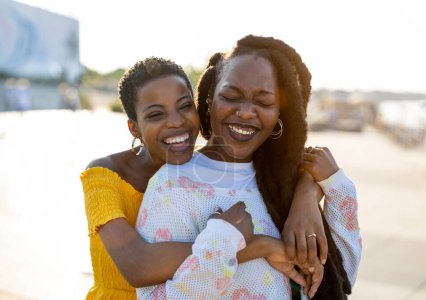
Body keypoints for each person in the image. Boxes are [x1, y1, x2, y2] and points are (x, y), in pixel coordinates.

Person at [81, 57, 330, 299]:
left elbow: (305, 164)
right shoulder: (104, 175)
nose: (177, 122)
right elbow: (137, 265)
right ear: (134, 128)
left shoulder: (204, 167)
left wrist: (306, 196)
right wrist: (255, 245)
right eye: (156, 115)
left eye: (185, 106)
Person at [135, 35, 361, 299]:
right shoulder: (173, 185)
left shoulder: (285, 182)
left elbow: (341, 275)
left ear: (279, 113)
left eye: (264, 102)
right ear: (210, 100)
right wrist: (224, 240)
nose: (245, 112)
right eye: (231, 96)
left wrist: (330, 185)